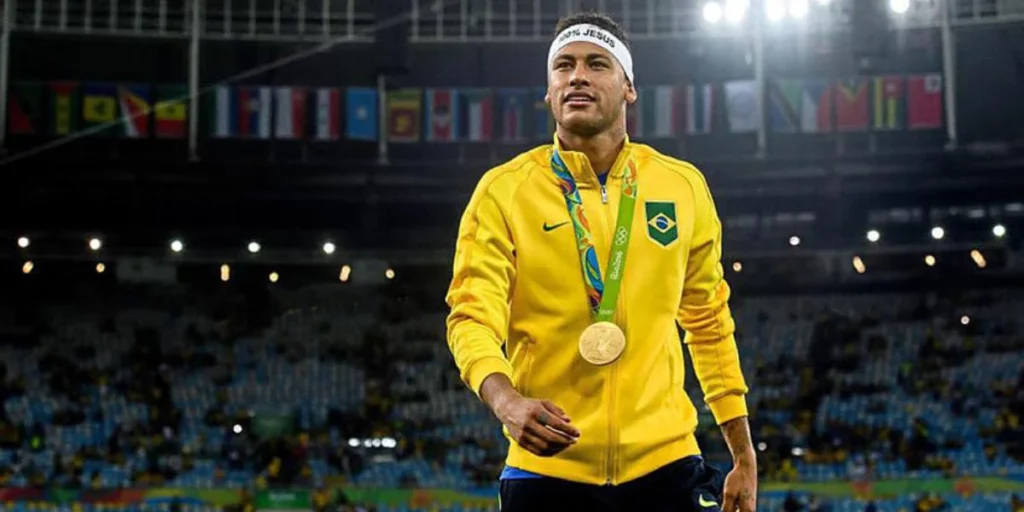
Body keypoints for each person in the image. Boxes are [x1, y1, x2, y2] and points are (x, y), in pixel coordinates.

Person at [444, 10, 756, 512]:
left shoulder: (681, 186)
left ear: (629, 87)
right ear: (548, 92)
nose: (577, 77)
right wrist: (507, 403)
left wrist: (742, 454)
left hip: (667, 464)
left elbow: (709, 322)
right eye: (563, 66)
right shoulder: (504, 192)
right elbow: (471, 317)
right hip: (545, 469)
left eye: (597, 64)